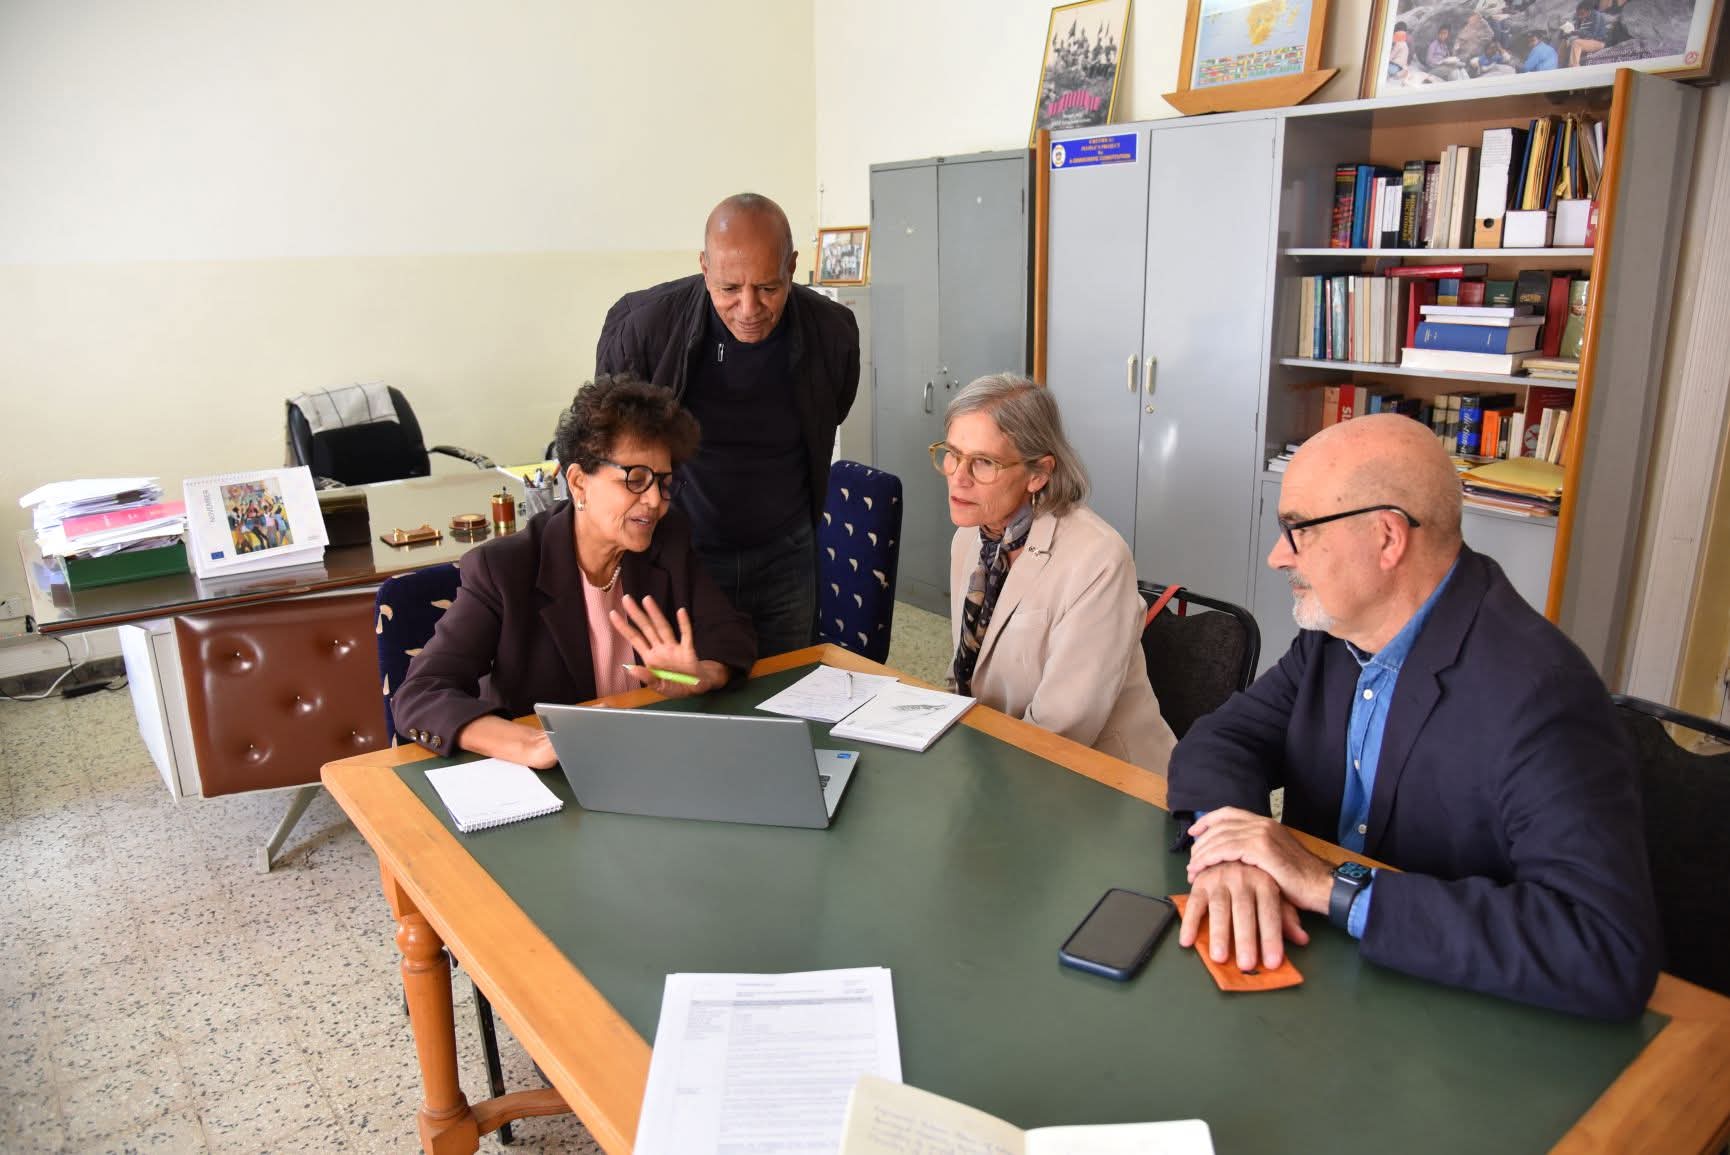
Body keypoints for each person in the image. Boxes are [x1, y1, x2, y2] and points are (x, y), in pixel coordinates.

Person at [1165, 414, 1660, 1020]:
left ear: (1387, 538)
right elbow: (1223, 738)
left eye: (1299, 530)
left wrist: (1327, 885)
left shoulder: (1541, 695)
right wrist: (1234, 848)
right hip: (1319, 988)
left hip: (1457, 1018)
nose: (1276, 556)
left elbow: (1603, 947)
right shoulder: (1336, 636)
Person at [392, 374, 757, 769]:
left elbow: (731, 634)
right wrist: (531, 744)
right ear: (579, 483)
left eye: (664, 483)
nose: (655, 501)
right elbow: (422, 694)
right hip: (553, 777)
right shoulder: (505, 569)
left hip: (642, 758)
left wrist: (701, 675)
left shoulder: (666, 540)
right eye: (636, 480)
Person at [594, 193, 860, 657]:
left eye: (769, 288)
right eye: (729, 288)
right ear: (704, 267)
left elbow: (830, 413)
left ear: (793, 267)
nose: (749, 308)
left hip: (786, 555)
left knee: (787, 686)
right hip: (682, 552)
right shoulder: (645, 328)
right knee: (688, 685)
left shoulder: (831, 331)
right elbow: (610, 441)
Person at [940, 374, 1175, 772]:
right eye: (952, 454)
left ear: (1038, 473)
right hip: (1000, 758)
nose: (958, 477)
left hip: (1103, 779)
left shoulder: (1098, 558)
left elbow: (1061, 730)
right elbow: (964, 671)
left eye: (984, 462)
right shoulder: (969, 537)